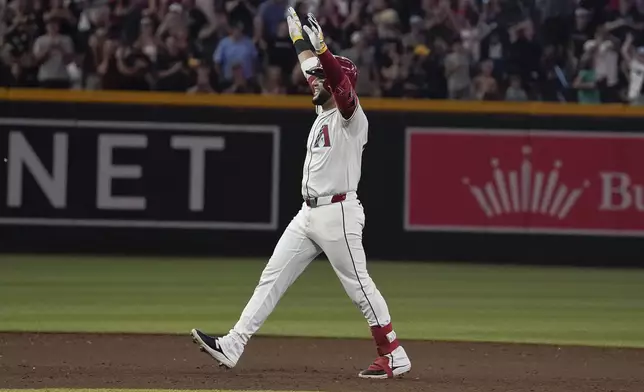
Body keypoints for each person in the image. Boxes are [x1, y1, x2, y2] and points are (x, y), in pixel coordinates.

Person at [190, 7, 412, 380]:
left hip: (339, 213)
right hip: (308, 214)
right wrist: (299, 39)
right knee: (271, 277)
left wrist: (324, 50)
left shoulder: (352, 118)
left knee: (359, 286)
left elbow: (339, 85)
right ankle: (234, 344)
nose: (313, 81)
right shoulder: (322, 111)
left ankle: (393, 352)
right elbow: (315, 67)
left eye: (320, 78)